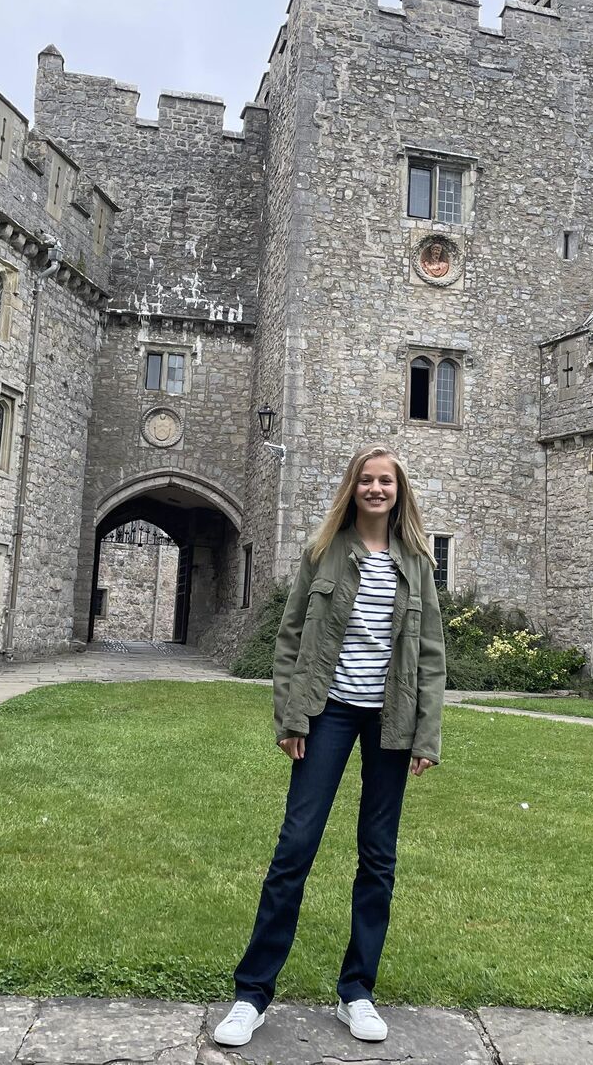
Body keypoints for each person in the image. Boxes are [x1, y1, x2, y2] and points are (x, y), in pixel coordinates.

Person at [213, 445, 446, 1048]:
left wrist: (427, 734)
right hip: (327, 713)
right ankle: (252, 995)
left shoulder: (417, 561)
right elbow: (291, 640)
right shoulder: (323, 554)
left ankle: (357, 992)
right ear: (353, 488)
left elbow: (430, 657)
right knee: (296, 847)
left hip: (390, 721)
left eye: (385, 482)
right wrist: (291, 717)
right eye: (367, 481)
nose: (376, 489)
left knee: (378, 856)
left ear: (399, 492)